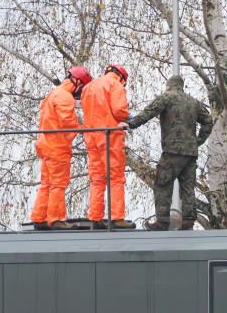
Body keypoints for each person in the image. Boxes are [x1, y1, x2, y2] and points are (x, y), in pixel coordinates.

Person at [118, 75, 212, 231]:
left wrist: (129, 124)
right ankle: (188, 224)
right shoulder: (193, 102)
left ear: (169, 86)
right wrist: (197, 141)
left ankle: (162, 223)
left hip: (172, 151)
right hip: (190, 153)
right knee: (188, 189)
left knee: (162, 184)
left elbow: (148, 112)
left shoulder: (166, 97)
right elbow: (208, 121)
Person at [30, 66, 92, 230]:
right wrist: (84, 128)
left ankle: (39, 217)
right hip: (56, 146)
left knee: (47, 183)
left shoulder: (54, 93)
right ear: (78, 82)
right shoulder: (65, 97)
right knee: (58, 183)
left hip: (45, 144)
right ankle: (57, 219)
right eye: (83, 87)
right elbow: (67, 123)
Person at [81, 64, 135, 229]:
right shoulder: (115, 84)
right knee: (115, 176)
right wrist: (129, 118)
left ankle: (96, 218)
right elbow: (119, 110)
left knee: (97, 178)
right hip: (109, 135)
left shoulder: (88, 87)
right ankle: (117, 218)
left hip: (90, 136)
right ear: (121, 77)